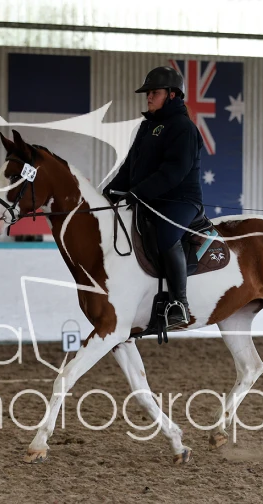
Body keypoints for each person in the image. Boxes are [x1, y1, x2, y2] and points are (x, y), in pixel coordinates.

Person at [103, 66, 204, 329]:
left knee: (166, 235)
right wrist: (110, 192)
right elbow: (129, 167)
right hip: (149, 198)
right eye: (148, 93)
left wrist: (138, 192)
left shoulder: (183, 128)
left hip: (181, 200)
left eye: (154, 92)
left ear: (172, 94)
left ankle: (179, 304)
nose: (148, 97)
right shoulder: (147, 127)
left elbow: (173, 172)